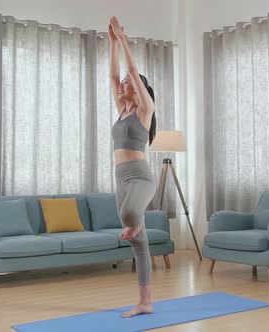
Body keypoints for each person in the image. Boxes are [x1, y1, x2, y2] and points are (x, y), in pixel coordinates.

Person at [108, 16, 157, 318]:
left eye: (129, 83)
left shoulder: (145, 111)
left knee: (128, 215)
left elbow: (129, 71)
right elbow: (114, 76)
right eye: (124, 84)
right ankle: (145, 303)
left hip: (140, 178)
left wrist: (124, 40)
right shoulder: (121, 110)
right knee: (138, 245)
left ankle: (135, 221)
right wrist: (111, 43)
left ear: (140, 92)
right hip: (121, 179)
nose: (123, 84)